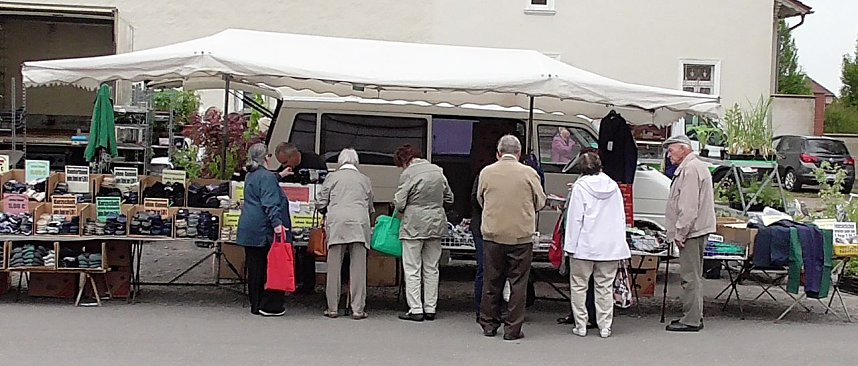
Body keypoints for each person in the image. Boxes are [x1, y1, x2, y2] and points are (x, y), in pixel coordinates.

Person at [478, 135, 546, 341]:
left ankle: (489, 324)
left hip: (493, 234)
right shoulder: (529, 173)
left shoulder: (487, 172)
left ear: (498, 153)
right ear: (519, 153)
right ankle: (512, 329)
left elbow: (481, 198)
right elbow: (540, 201)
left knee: (491, 281)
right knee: (518, 283)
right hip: (520, 236)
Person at [564, 152, 631, 338]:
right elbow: (620, 217)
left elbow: (575, 219)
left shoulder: (579, 187)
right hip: (609, 247)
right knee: (604, 287)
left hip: (584, 246)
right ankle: (605, 326)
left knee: (579, 286)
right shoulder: (613, 186)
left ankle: (581, 324)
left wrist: (570, 246)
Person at [393, 144, 454, 322]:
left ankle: (416, 309)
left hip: (414, 224)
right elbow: (449, 197)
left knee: (412, 267)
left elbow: (399, 202)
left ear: (404, 160)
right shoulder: (437, 171)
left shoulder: (409, 174)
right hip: (435, 222)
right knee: (431, 267)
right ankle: (430, 308)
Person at [663, 135, 716, 332]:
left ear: (683, 148)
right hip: (697, 229)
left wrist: (680, 232)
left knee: (690, 276)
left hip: (692, 231)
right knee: (693, 274)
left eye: (671, 150)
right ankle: (693, 316)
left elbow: (688, 206)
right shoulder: (693, 167)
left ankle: (692, 319)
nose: (669, 155)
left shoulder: (690, 169)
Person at [316, 148, 374, 320]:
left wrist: (323, 208)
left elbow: (321, 202)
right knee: (358, 268)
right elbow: (370, 205)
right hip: (359, 223)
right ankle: (358, 309)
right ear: (356, 162)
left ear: (340, 162)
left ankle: (332, 308)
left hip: (337, 223)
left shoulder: (332, 177)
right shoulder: (365, 179)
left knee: (334, 266)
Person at [236, 143, 290, 317]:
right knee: (267, 267)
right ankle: (266, 305)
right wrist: (277, 224)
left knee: (254, 267)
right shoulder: (266, 177)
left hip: (249, 226)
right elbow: (269, 203)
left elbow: (263, 185)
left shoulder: (251, 175)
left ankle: (255, 304)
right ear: (266, 158)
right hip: (262, 228)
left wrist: (279, 176)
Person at [273, 142, 327, 294]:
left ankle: (308, 284)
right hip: (292, 212)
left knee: (308, 250)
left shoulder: (314, 161)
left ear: (294, 156)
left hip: (312, 211)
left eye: (284, 162)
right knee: (293, 248)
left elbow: (325, 184)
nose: (283, 166)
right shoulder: (284, 168)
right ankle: (294, 282)